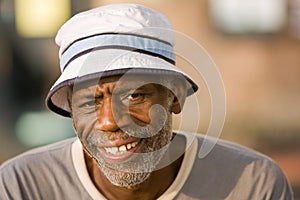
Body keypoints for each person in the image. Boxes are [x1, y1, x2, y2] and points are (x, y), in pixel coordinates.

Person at [0, 4, 294, 200]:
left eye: (134, 95)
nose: (109, 121)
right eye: (90, 102)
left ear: (174, 95)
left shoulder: (253, 185)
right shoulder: (23, 187)